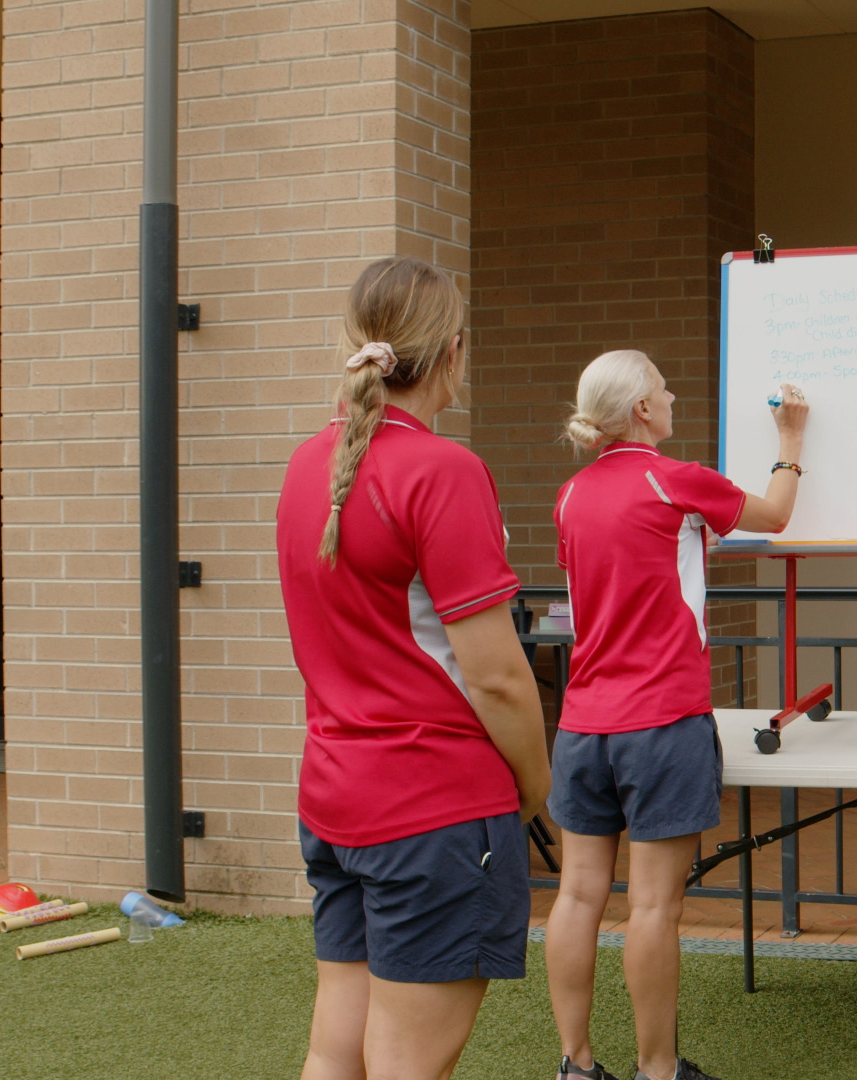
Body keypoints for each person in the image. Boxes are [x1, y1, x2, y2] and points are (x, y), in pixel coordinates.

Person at [276, 256, 552, 1080]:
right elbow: (498, 678)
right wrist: (535, 787)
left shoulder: (306, 465)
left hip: (335, 796)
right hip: (434, 807)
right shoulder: (443, 471)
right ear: (454, 354)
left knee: (335, 1054)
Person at [544, 351, 808, 1080]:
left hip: (582, 724)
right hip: (661, 721)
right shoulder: (677, 479)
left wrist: (693, 535)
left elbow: (631, 562)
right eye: (663, 387)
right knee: (653, 907)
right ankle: (657, 1072)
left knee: (576, 895)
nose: (672, 394)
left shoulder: (570, 497)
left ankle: (575, 1066)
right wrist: (790, 442)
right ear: (640, 412)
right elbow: (777, 517)